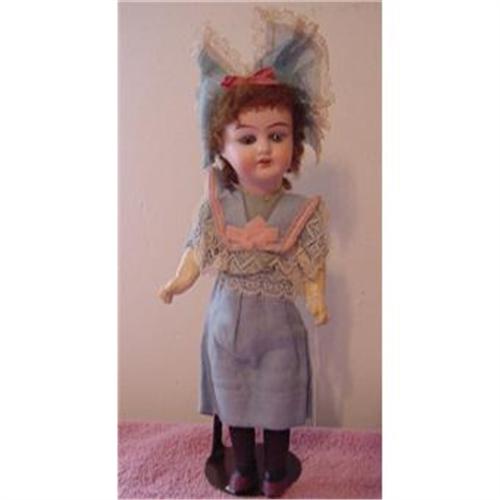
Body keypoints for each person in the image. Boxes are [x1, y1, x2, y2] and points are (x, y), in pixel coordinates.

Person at [158, 8, 333, 498]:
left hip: (278, 323)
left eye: (277, 135)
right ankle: (243, 468)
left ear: (295, 143)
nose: (264, 149)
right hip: (226, 319)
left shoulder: (303, 210)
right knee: (232, 397)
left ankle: (275, 469)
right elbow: (197, 251)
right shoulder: (215, 207)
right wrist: (178, 281)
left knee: (278, 398)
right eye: (247, 138)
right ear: (222, 146)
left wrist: (316, 296)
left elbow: (313, 261)